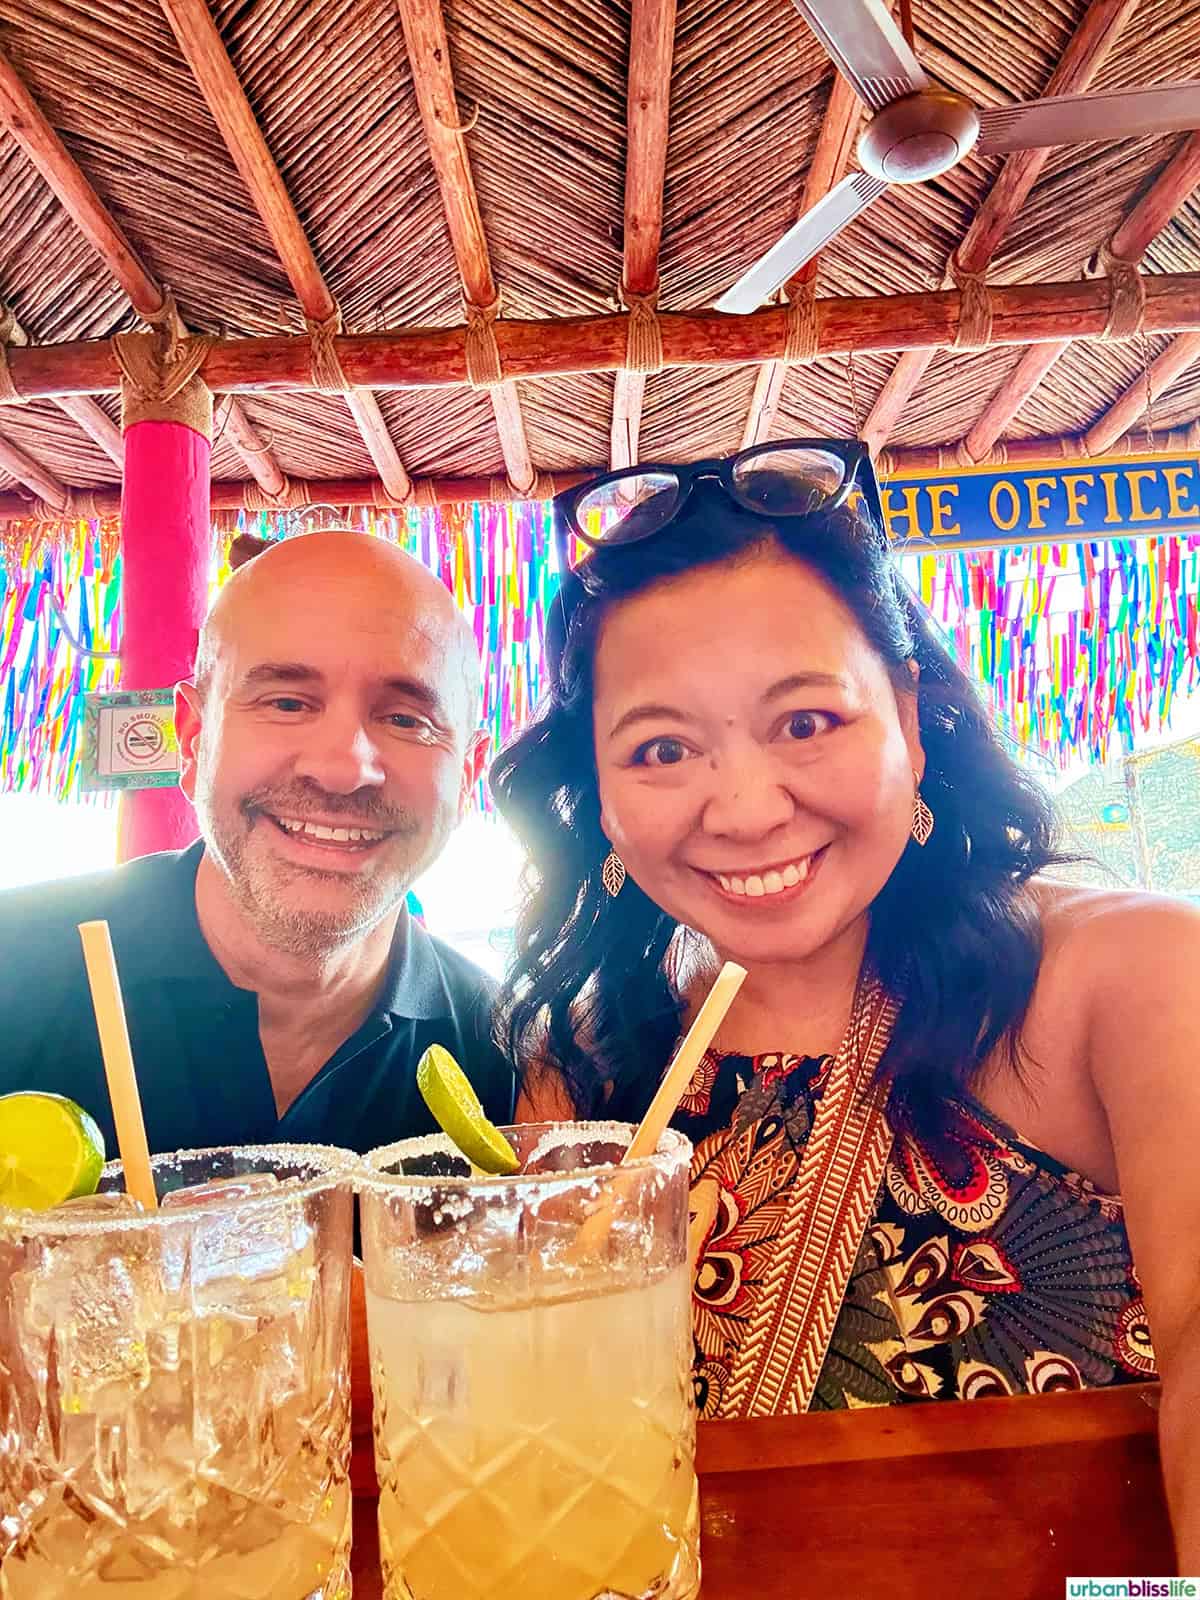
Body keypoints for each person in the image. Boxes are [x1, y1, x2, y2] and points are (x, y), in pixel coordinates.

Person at [491, 442, 1200, 1569]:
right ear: (602, 795)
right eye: (662, 746)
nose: (746, 808)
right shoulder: (581, 1070)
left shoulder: (1129, 979)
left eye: (806, 721)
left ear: (909, 718)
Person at [0, 529, 512, 1156]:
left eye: (406, 719)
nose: (342, 768)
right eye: (288, 702)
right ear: (192, 740)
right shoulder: (13, 968)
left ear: (465, 776)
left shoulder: (511, 1063)